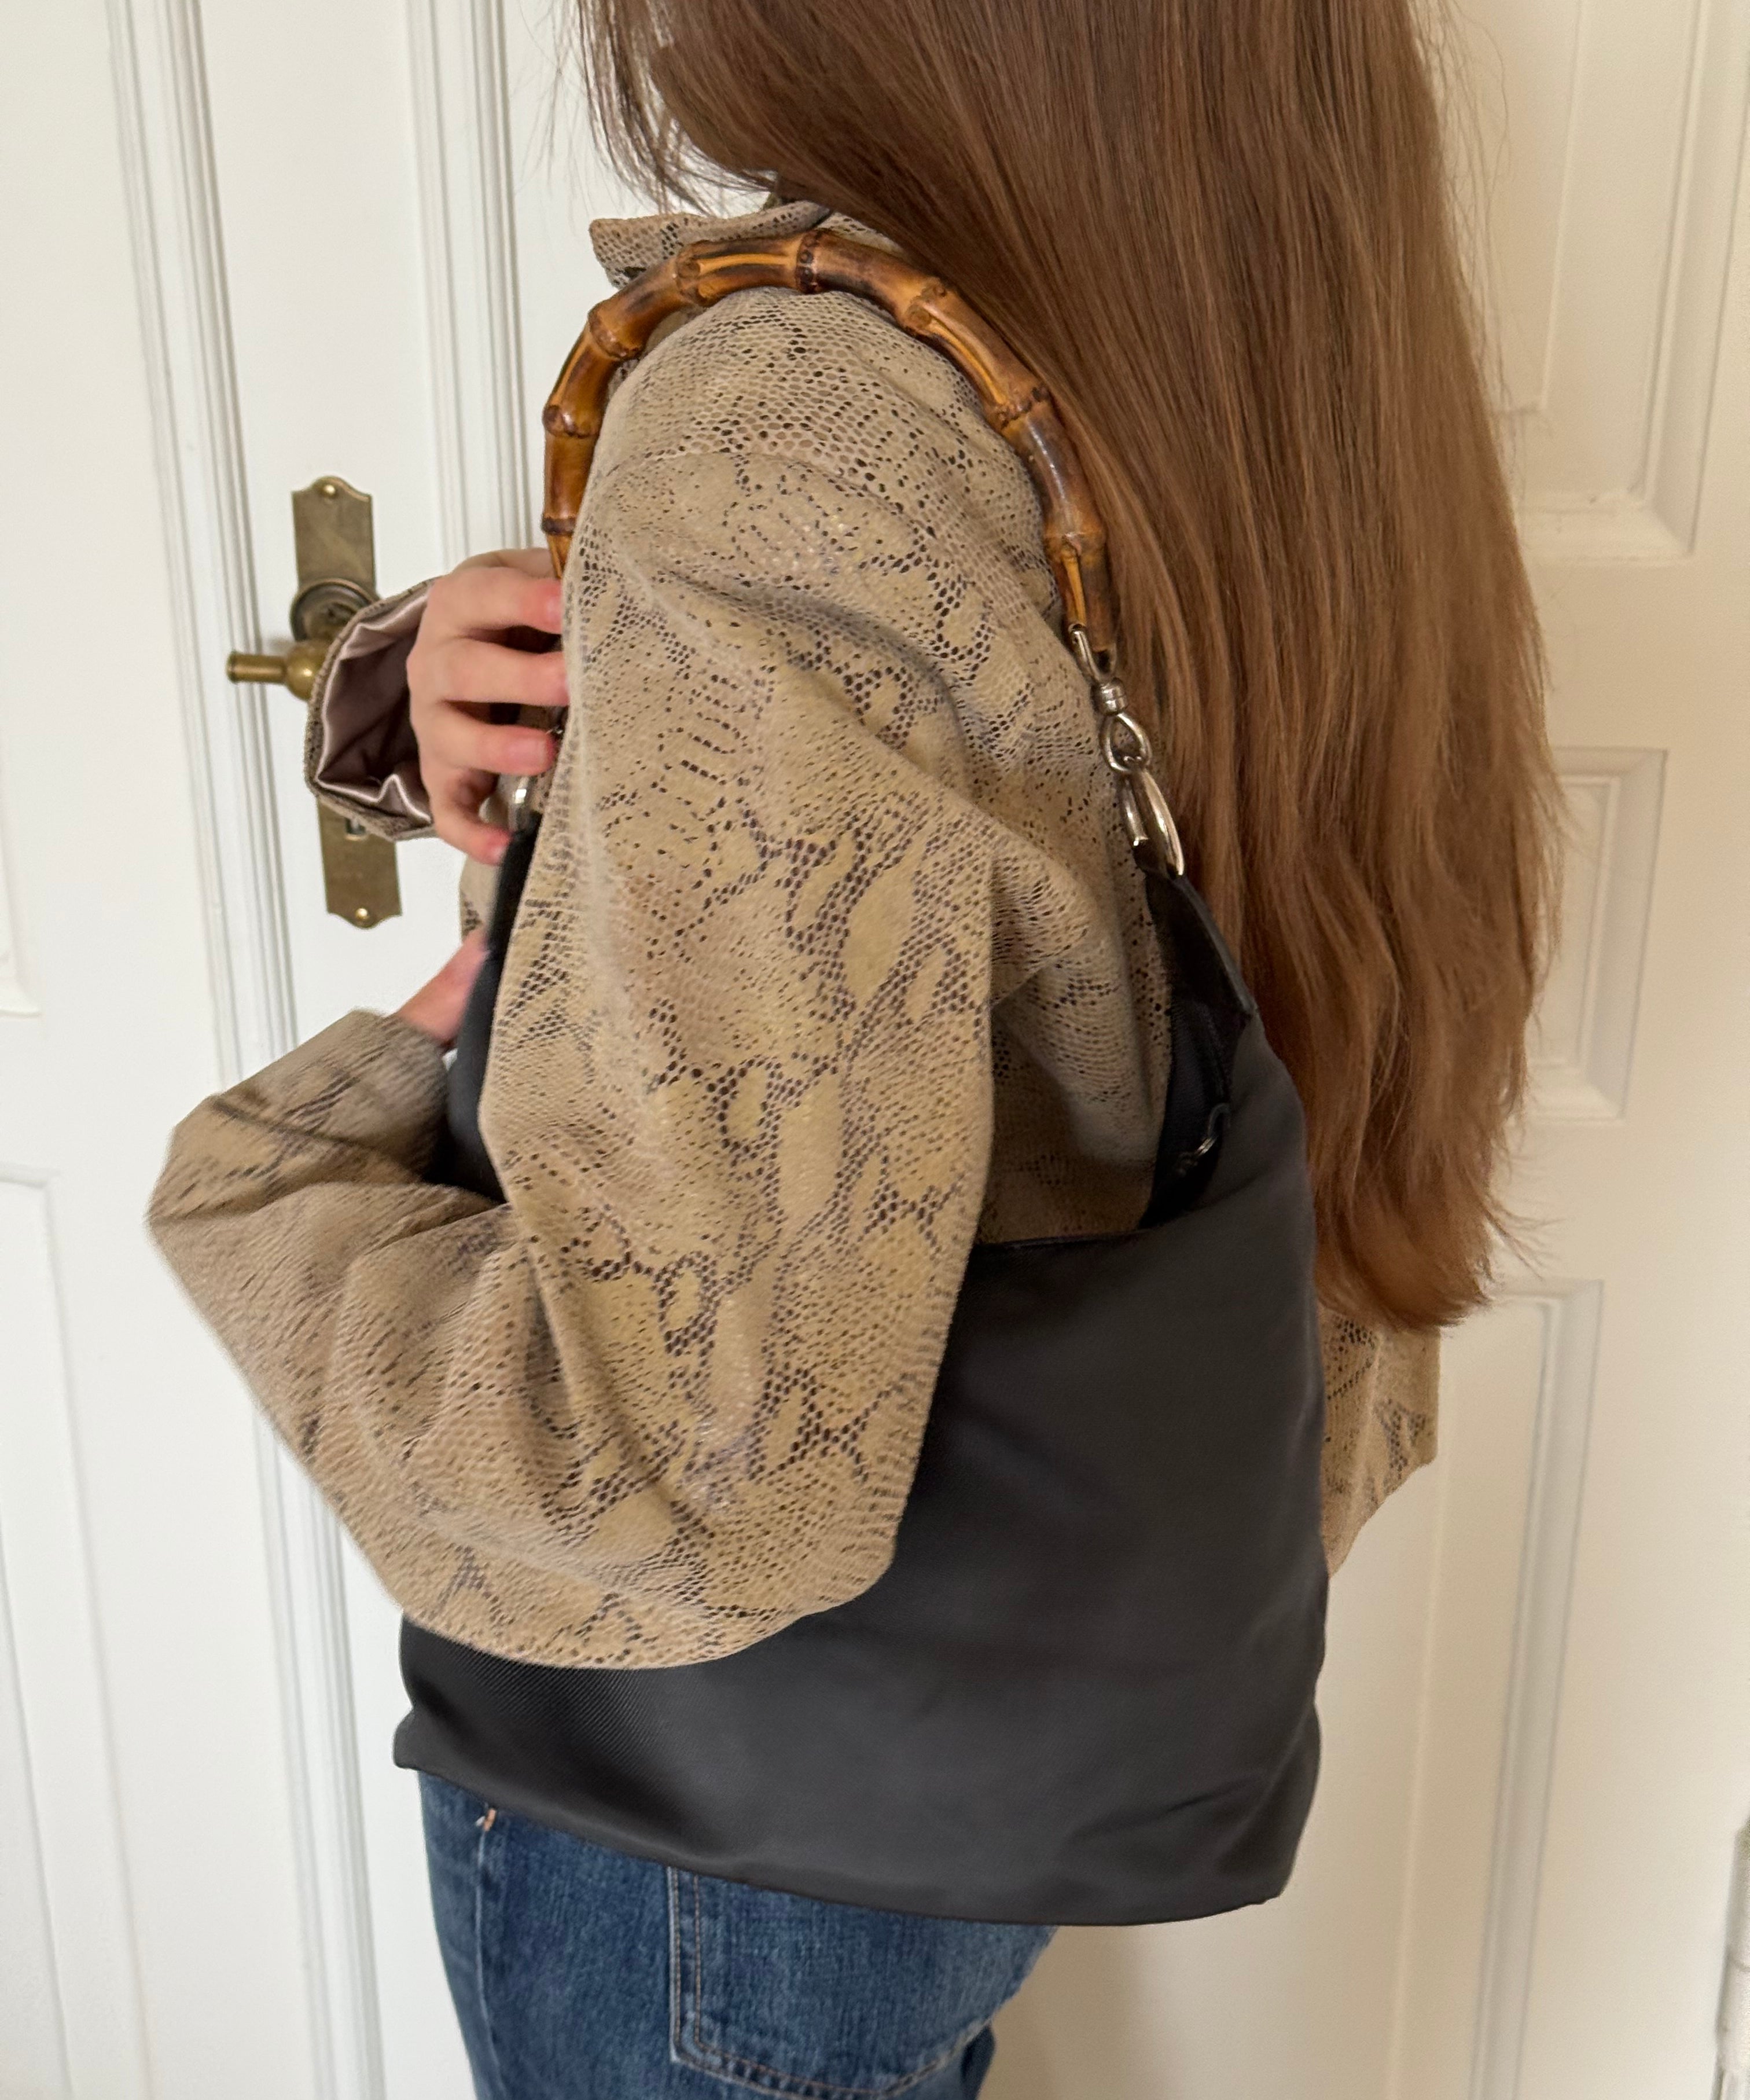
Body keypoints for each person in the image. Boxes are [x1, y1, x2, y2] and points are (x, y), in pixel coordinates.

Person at [149, 1, 1561, 2091]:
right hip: (1014, 1695)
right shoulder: (1274, 358)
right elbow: (1036, 833)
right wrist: (538, 688)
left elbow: (682, 1487)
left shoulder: (792, 417)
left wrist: (260, 1190)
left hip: (717, 1822)